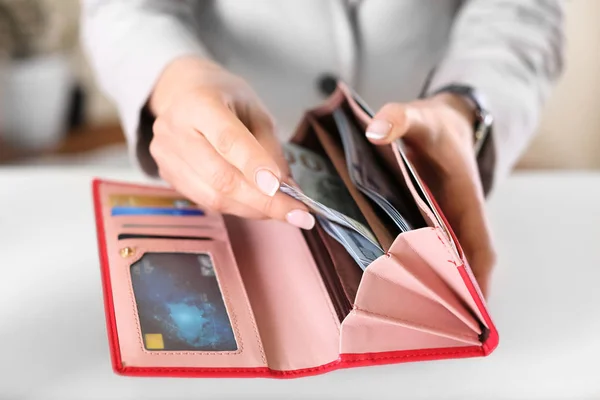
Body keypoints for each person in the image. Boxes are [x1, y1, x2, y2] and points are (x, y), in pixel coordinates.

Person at [81, 0, 565, 296]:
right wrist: (171, 77)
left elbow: (519, 7)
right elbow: (127, 6)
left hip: (430, 161)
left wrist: (468, 107)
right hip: (225, 168)